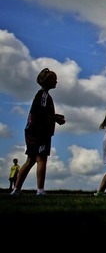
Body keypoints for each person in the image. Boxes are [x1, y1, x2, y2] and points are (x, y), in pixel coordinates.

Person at [11, 68, 66, 196]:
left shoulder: (41, 95)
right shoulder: (44, 95)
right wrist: (56, 119)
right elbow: (42, 114)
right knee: (41, 159)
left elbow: (41, 112)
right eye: (54, 79)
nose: (56, 81)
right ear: (47, 81)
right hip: (40, 132)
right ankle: (40, 190)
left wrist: (55, 116)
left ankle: (16, 190)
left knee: (30, 160)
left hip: (32, 131)